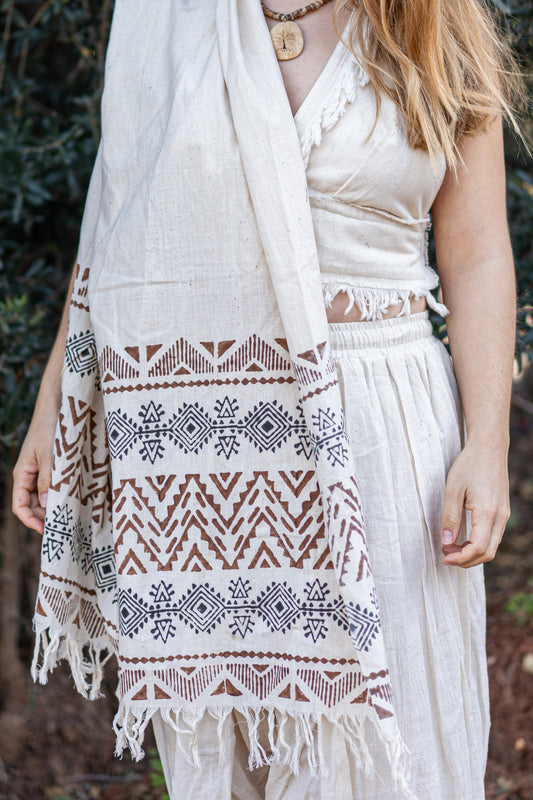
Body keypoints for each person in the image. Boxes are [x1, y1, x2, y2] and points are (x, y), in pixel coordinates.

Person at [12, 0, 518, 798]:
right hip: (203, 442)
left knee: (393, 744)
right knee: (228, 745)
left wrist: (486, 446)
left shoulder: (436, 18)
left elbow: (480, 249)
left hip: (379, 427)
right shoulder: (162, 19)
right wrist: (57, 408)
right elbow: (117, 225)